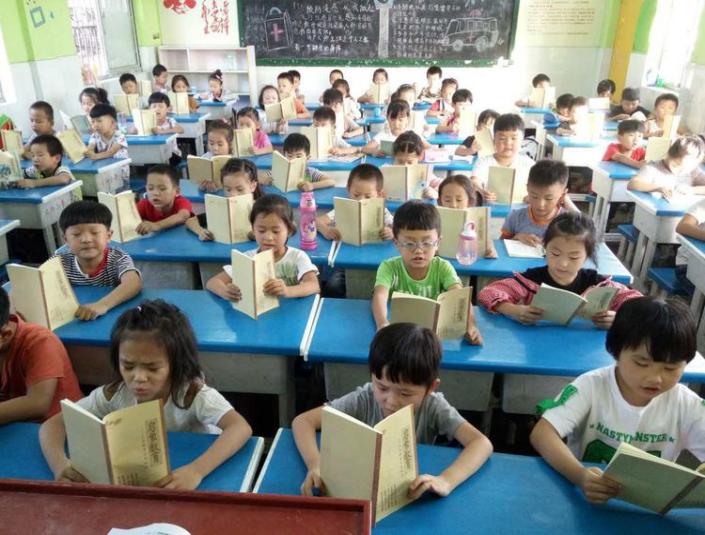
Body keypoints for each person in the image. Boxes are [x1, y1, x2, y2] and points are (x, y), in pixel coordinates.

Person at [39, 299, 253, 490]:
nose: (139, 378)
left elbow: (240, 427)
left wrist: (196, 470)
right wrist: (60, 464)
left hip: (191, 469)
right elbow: (52, 425)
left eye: (152, 368)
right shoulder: (114, 394)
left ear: (176, 363)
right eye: (128, 366)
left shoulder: (192, 394)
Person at [530, 296, 703, 504]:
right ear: (616, 351)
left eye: (670, 368)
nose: (655, 378)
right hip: (584, 498)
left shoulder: (687, 404)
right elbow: (542, 434)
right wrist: (580, 475)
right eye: (642, 363)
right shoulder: (591, 386)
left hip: (645, 507)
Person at [292, 322, 493, 497]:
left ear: (430, 388)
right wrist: (316, 465)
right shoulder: (365, 398)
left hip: (408, 491)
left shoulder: (433, 406)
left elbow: (481, 443)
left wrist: (446, 480)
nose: (391, 401)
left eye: (405, 393)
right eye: (382, 387)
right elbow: (303, 421)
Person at [479, 212, 641, 328]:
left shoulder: (599, 285)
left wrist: (618, 318)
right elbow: (488, 292)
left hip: (582, 352)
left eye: (573, 257)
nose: (563, 263)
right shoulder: (530, 281)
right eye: (555, 254)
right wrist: (514, 310)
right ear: (545, 247)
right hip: (536, 347)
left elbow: (638, 303)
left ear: (587, 256)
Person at [371, 200, 482, 344]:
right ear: (396, 243)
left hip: (433, 336)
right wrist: (382, 323)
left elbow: (460, 296)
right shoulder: (389, 267)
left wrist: (470, 325)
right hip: (401, 333)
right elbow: (380, 295)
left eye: (427, 243)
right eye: (409, 243)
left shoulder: (443, 267)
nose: (419, 250)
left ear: (438, 243)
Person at [206, 194, 320, 301]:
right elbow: (212, 282)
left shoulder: (297, 257)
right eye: (261, 230)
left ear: (289, 230)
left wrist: (287, 291)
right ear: (253, 229)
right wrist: (225, 292)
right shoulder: (248, 258)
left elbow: (314, 285)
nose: (268, 237)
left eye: (276, 231)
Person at [0, 285, 82, 423]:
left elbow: (38, 404)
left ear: (5, 335)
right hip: (14, 425)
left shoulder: (39, 341)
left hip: (59, 426)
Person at [53, 201, 142, 320]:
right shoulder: (59, 260)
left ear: (108, 236)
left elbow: (133, 283)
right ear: (66, 239)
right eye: (77, 234)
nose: (86, 239)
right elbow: (43, 286)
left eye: (94, 233)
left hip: (113, 316)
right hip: (74, 317)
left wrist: (103, 305)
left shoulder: (117, 258)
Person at [501, 160, 576, 246]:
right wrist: (516, 238)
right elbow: (501, 246)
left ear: (562, 195)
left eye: (549, 198)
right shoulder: (515, 217)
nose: (540, 205)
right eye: (534, 196)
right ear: (527, 188)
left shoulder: (568, 222)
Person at [186, 158, 263, 241]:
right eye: (228, 189)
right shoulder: (222, 208)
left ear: (253, 186)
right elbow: (190, 221)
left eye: (240, 189)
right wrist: (200, 231)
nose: (233, 195)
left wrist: (258, 233)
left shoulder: (262, 209)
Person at [317, 163, 393, 242]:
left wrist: (391, 232)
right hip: (346, 247)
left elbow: (396, 227)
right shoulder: (343, 209)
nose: (361, 200)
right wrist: (325, 230)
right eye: (356, 195)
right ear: (348, 189)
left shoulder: (382, 211)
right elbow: (317, 221)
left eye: (368, 196)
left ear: (379, 194)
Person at [470, 113, 534, 203]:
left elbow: (540, 187)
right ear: (494, 139)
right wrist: (481, 191)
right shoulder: (484, 162)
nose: (508, 143)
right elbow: (474, 181)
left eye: (514, 138)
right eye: (502, 138)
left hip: (522, 208)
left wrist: (532, 197)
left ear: (522, 140)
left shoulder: (529, 164)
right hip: (492, 208)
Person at [437, 174, 497, 258]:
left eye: (459, 200)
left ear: (470, 201)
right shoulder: (434, 220)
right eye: (447, 200)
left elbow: (487, 245)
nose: (453, 205)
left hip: (468, 262)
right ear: (440, 201)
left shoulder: (477, 220)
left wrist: (490, 251)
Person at [627, 135, 705, 199]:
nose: (679, 171)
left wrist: (692, 190)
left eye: (686, 169)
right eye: (676, 165)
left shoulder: (693, 171)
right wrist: (658, 188)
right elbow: (632, 184)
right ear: (669, 155)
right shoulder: (652, 168)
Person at [260, 133, 335, 191]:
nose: (293, 159)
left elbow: (331, 181)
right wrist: (265, 180)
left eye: (298, 156)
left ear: (307, 158)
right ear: (284, 156)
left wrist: (312, 185)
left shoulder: (310, 172)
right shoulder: (279, 171)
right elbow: (259, 177)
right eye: (290, 156)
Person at [136, 164, 193, 234]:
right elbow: (127, 219)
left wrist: (157, 225)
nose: (155, 193)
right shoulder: (143, 205)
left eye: (162, 189)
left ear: (177, 191)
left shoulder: (182, 202)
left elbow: (183, 216)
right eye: (150, 188)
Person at [193, 119, 234, 192]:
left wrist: (219, 186)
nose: (215, 148)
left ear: (230, 144)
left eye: (220, 144)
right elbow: (197, 183)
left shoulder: (234, 161)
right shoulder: (204, 159)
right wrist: (202, 186)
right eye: (211, 143)